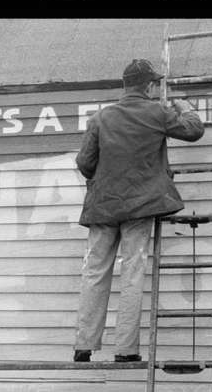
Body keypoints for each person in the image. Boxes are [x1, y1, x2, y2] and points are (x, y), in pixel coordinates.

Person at [73, 58, 205, 363]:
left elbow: (84, 163)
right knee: (132, 273)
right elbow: (193, 131)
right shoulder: (157, 113)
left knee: (94, 272)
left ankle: (84, 345)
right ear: (148, 85)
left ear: (124, 85)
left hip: (103, 207)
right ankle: (126, 350)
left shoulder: (100, 118)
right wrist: (185, 107)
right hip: (140, 206)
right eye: (154, 83)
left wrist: (104, 180)